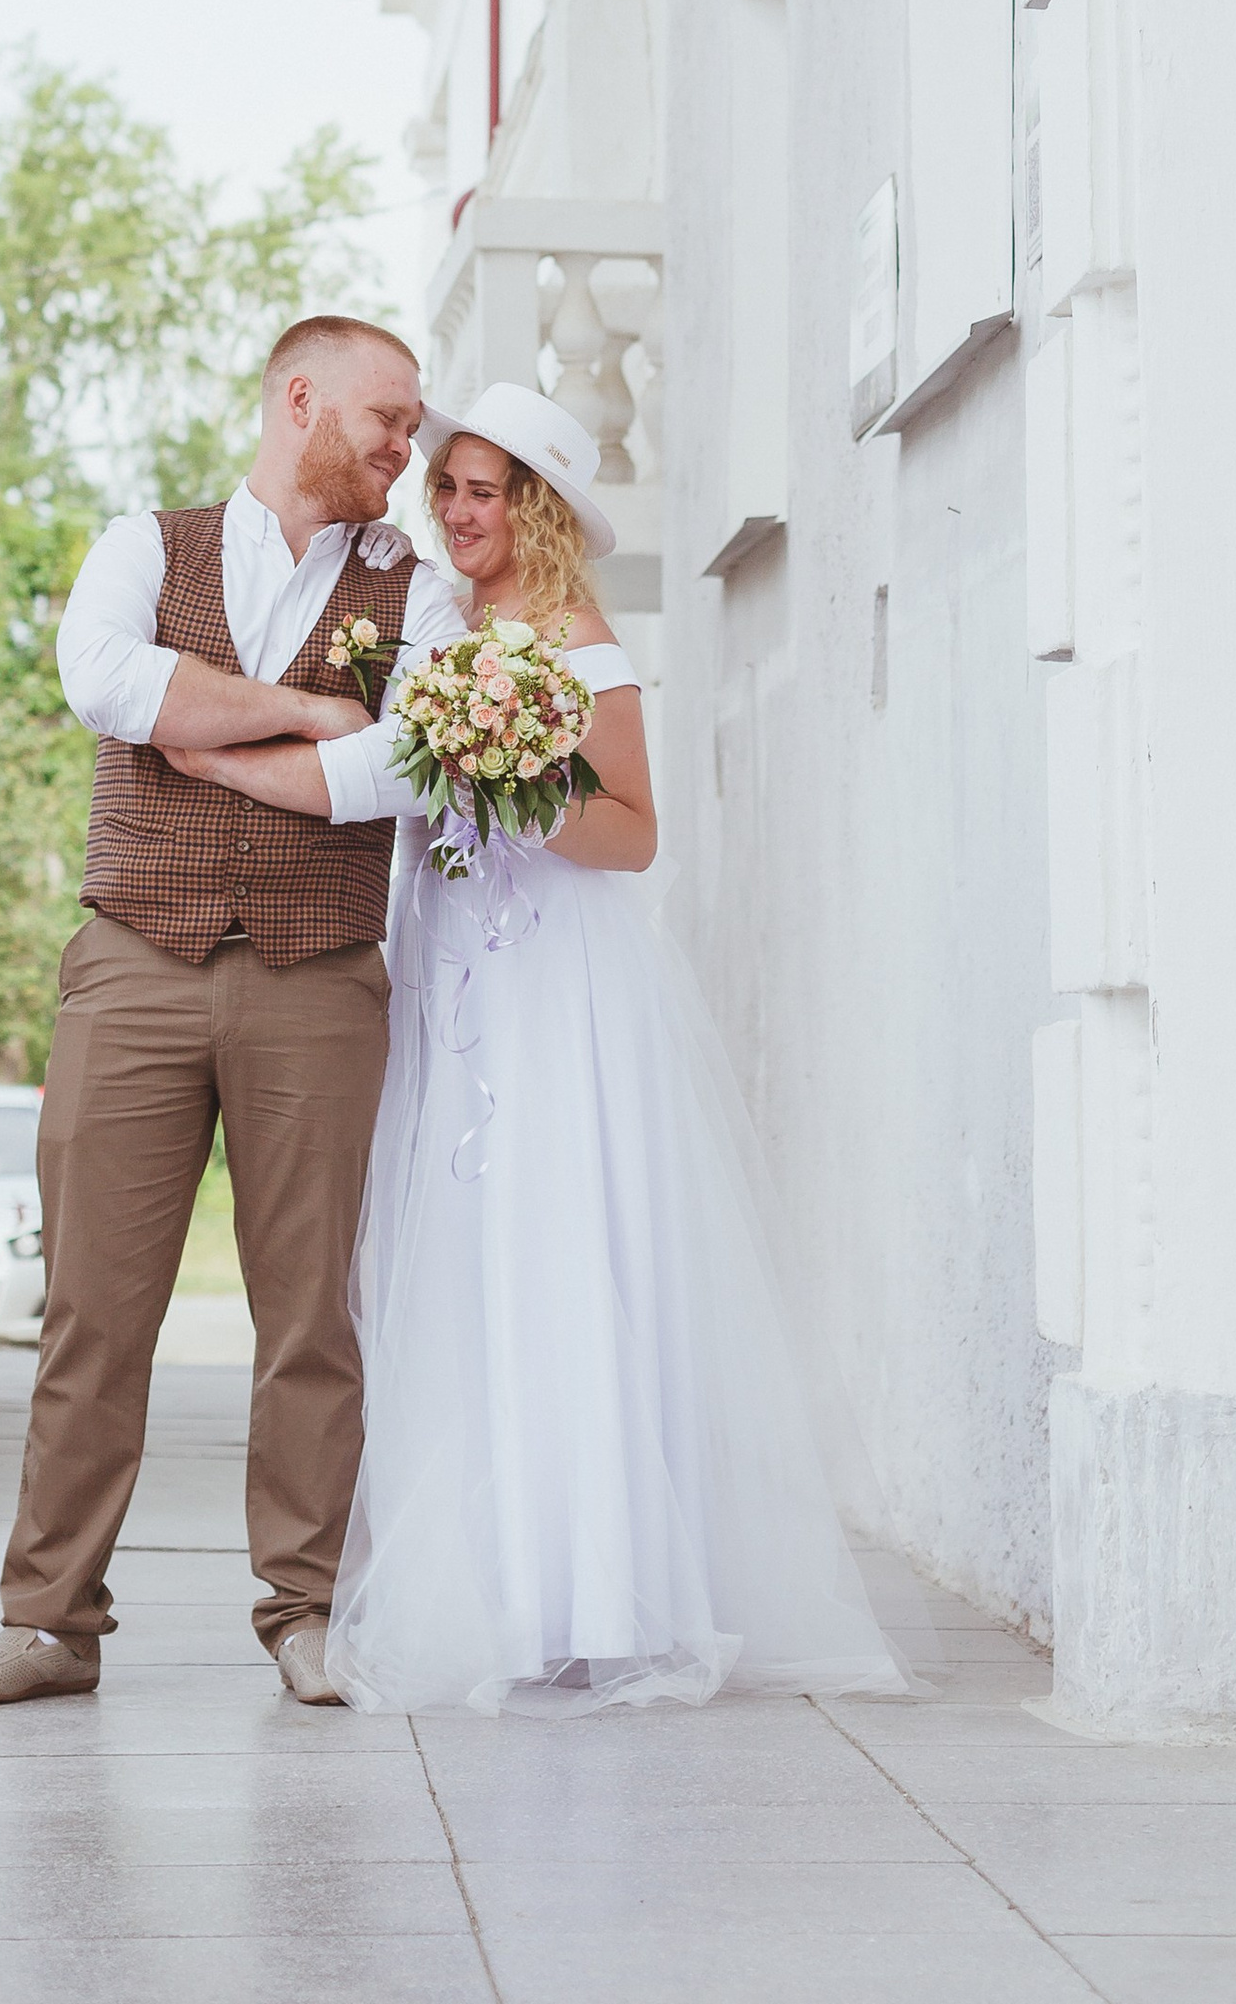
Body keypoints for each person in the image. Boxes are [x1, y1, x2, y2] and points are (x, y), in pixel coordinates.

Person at [163, 380, 904, 1716]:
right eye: (446, 485)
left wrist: (516, 779)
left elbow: (634, 832)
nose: (455, 510)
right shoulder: (438, 626)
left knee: (552, 1245)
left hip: (555, 985)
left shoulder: (580, 643)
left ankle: (590, 1588)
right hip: (448, 966)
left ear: (538, 508)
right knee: (450, 1258)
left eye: (483, 490)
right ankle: (481, 1584)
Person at [0, 315, 466, 1713]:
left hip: (321, 977)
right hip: (134, 965)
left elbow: (410, 761)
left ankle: (308, 1610)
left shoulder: (420, 592)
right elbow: (103, 681)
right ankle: (50, 1620)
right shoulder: (144, 546)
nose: (407, 450)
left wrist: (209, 732)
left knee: (314, 1316)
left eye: (414, 427)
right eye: (389, 418)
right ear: (301, 399)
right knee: (92, 1310)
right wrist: (308, 715)